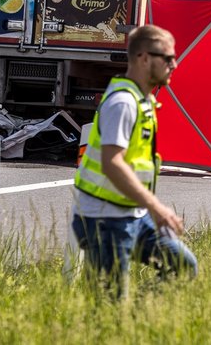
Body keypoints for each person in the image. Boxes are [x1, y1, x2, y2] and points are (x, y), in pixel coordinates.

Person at [70, 24, 197, 298]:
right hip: (103, 219)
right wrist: (157, 208)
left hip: (131, 215)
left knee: (184, 265)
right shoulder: (123, 103)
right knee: (109, 303)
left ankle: (136, 322)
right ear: (144, 58)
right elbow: (112, 163)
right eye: (167, 58)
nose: (174, 64)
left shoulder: (144, 101)